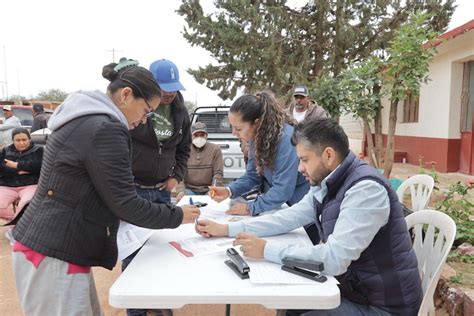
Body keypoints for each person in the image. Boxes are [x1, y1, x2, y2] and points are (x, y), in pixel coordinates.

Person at [11, 58, 200, 316]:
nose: (145, 121)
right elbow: (125, 203)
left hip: (59, 247)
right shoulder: (106, 128)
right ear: (125, 95)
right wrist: (178, 216)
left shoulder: (86, 117)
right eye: (146, 111)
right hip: (54, 250)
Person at [197, 118, 422, 315]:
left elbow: (333, 260)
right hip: (358, 289)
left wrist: (266, 250)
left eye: (304, 160)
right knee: (290, 304)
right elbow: (289, 217)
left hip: (383, 306)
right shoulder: (327, 182)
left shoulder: (365, 191)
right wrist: (227, 229)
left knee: (294, 304)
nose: (299, 168)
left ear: (328, 155)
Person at [124, 58, 191, 316]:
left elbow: (183, 150)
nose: (170, 93)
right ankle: (136, 310)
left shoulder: (180, 113)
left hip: (162, 190)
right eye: (164, 88)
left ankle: (163, 304)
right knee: (134, 251)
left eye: (174, 87)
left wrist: (176, 176)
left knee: (164, 248)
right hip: (135, 189)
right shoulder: (135, 111)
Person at [209, 92, 309, 216]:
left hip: (304, 207)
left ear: (257, 123)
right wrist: (229, 190)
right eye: (232, 127)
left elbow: (283, 189)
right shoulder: (255, 138)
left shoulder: (288, 140)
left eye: (238, 128)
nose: (234, 133)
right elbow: (253, 175)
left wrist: (250, 207)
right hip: (284, 205)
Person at [0, 128, 43, 233]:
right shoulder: (6, 150)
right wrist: (19, 171)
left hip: (30, 184)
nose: (21, 143)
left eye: (24, 139)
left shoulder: (38, 150)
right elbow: (1, 168)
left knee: (25, 204)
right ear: (13, 140)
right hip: (7, 185)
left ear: (29, 139)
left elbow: (38, 166)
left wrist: (15, 165)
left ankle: (16, 229)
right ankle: (17, 222)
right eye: (17, 140)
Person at [175, 122, 224, 202]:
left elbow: (218, 174)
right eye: (196, 135)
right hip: (189, 190)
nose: (199, 138)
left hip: (208, 190)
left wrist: (214, 190)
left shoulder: (215, 149)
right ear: (191, 136)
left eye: (202, 135)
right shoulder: (184, 150)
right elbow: (179, 174)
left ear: (206, 136)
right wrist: (181, 191)